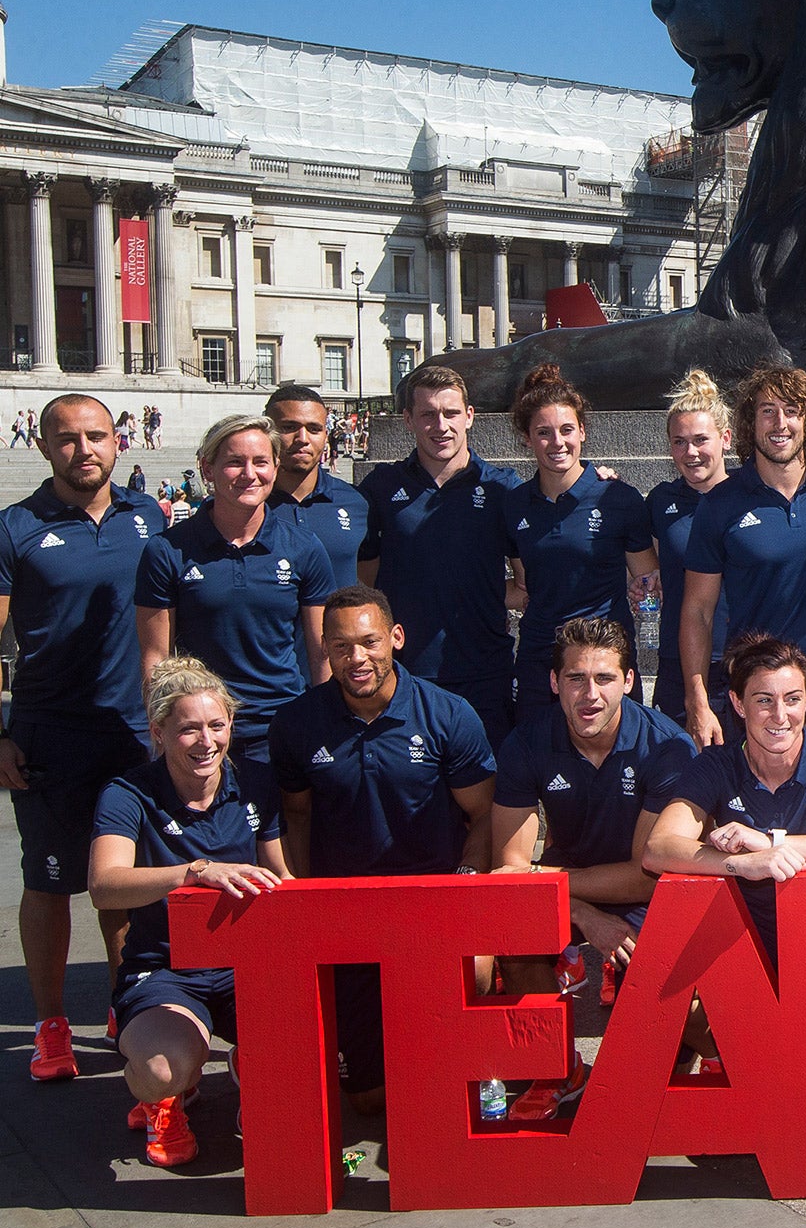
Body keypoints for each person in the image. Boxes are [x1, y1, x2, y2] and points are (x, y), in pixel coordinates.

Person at [272, 585, 497, 1114]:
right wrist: (304, 902)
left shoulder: (448, 715)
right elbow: (296, 819)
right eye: (342, 646)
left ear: (396, 638)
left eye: (370, 642)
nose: (358, 658)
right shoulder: (297, 724)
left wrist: (464, 888)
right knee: (372, 1102)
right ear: (324, 650)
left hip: (429, 900)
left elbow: (484, 814)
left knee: (467, 997)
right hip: (346, 909)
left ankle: (475, 1058)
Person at [0, 394, 167, 1081]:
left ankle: (124, 1005)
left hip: (132, 730)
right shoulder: (16, 526)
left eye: (96, 436)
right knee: (49, 883)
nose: (84, 450)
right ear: (42, 447)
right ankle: (49, 1022)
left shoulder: (147, 515)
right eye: (67, 439)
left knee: (124, 884)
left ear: (118, 441)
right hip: (48, 730)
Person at [644, 633, 806, 1065]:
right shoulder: (716, 765)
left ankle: (804, 1072)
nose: (780, 715)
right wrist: (740, 863)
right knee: (660, 1007)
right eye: (764, 700)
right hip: (743, 952)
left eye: (793, 698)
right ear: (737, 704)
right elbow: (658, 847)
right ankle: (773, 1070)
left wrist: (771, 842)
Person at [491, 617, 694, 1119]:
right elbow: (512, 868)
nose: (590, 694)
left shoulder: (666, 747)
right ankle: (559, 1070)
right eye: (577, 678)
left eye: (604, 679)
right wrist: (582, 913)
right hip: (573, 880)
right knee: (516, 940)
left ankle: (672, 1053)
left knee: (647, 1074)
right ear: (554, 683)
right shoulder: (526, 742)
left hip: (647, 889)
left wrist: (550, 884)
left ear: (629, 682)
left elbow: (645, 870)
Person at [88, 658, 286, 1167]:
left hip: (246, 965)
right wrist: (193, 872)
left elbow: (283, 877)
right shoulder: (127, 793)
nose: (206, 741)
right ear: (158, 733)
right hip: (166, 969)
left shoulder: (257, 785)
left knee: (307, 1051)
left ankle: (255, 1071)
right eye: (188, 729)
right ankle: (166, 1098)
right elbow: (104, 886)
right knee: (161, 1068)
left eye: (217, 726)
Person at [136, 415, 337, 806]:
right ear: (207, 469)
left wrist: (327, 725)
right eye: (234, 462)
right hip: (200, 736)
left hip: (281, 728)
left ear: (276, 467)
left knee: (283, 855)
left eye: (261, 462)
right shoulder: (166, 551)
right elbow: (156, 657)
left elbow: (320, 651)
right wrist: (160, 734)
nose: (249, 474)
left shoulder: (303, 547)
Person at [679, 364, 806, 748]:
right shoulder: (720, 504)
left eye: (791, 410)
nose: (780, 423)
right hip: (755, 701)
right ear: (751, 423)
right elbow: (697, 610)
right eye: (767, 411)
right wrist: (697, 700)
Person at [358, 365, 525, 746]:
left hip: (484, 674)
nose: (441, 425)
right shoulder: (381, 489)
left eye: (451, 413)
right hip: (403, 675)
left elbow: (526, 581)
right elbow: (367, 581)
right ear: (408, 420)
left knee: (488, 798)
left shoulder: (503, 489)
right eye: (428, 414)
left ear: (469, 417)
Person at [502, 363, 658, 725]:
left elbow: (648, 581)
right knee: (538, 767)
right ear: (527, 438)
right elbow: (525, 584)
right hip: (541, 660)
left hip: (605, 663)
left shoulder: (617, 498)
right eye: (543, 432)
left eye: (566, 429)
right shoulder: (513, 505)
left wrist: (644, 605)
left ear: (583, 432)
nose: (557, 442)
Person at [649, 372, 732, 724]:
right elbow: (652, 567)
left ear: (725, 439)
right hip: (678, 663)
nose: (691, 452)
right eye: (679, 442)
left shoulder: (751, 497)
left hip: (741, 660)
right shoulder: (659, 501)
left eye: (701, 439)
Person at [265, 385, 370, 607]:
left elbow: (372, 578)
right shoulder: (247, 505)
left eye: (313, 429)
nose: (302, 438)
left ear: (325, 435)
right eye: (289, 427)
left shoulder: (355, 502)